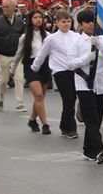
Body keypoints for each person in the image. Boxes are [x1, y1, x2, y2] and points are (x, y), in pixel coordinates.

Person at [55, 8, 103, 164]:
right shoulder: (76, 41)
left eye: (93, 21)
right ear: (81, 24)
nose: (91, 25)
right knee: (91, 119)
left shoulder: (101, 39)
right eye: (88, 22)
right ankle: (100, 150)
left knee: (97, 119)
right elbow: (70, 64)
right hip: (83, 84)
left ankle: (88, 149)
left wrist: (99, 45)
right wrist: (87, 58)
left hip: (99, 83)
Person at [34, 10, 82, 138]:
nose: (66, 24)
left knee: (72, 99)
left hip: (74, 70)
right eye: (63, 22)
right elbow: (42, 54)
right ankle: (71, 128)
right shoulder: (51, 38)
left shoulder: (76, 36)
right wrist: (35, 67)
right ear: (57, 23)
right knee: (68, 98)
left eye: (68, 21)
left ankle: (64, 125)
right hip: (60, 71)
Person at [17, 9, 53, 135]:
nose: (38, 19)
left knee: (40, 97)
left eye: (40, 17)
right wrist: (12, 69)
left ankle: (32, 120)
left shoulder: (48, 35)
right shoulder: (24, 37)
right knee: (38, 95)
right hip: (30, 65)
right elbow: (18, 54)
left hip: (44, 65)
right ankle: (45, 124)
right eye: (35, 17)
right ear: (30, 20)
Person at [0, 0, 26, 113]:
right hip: (4, 55)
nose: (5, 9)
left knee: (19, 79)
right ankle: (0, 99)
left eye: (7, 7)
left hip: (17, 56)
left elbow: (24, 37)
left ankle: (19, 104)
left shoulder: (20, 22)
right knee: (3, 81)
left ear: (14, 8)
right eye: (3, 6)